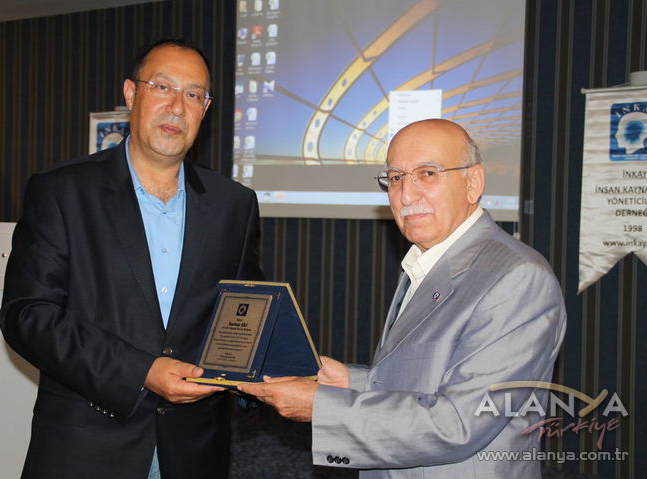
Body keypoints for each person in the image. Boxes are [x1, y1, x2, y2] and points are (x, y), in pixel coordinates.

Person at [239, 119, 566, 478]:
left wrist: (324, 408)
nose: (406, 195)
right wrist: (352, 382)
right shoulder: (427, 260)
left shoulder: (518, 278)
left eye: (427, 174)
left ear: (473, 183)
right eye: (395, 178)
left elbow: (459, 423)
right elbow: (427, 381)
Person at [0, 38, 262, 478]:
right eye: (162, 87)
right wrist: (142, 371)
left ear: (205, 108)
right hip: (86, 447)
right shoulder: (63, 192)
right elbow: (27, 315)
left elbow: (244, 312)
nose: (177, 106)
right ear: (130, 93)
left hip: (194, 448)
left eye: (193, 94)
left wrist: (260, 374)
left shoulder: (233, 204)